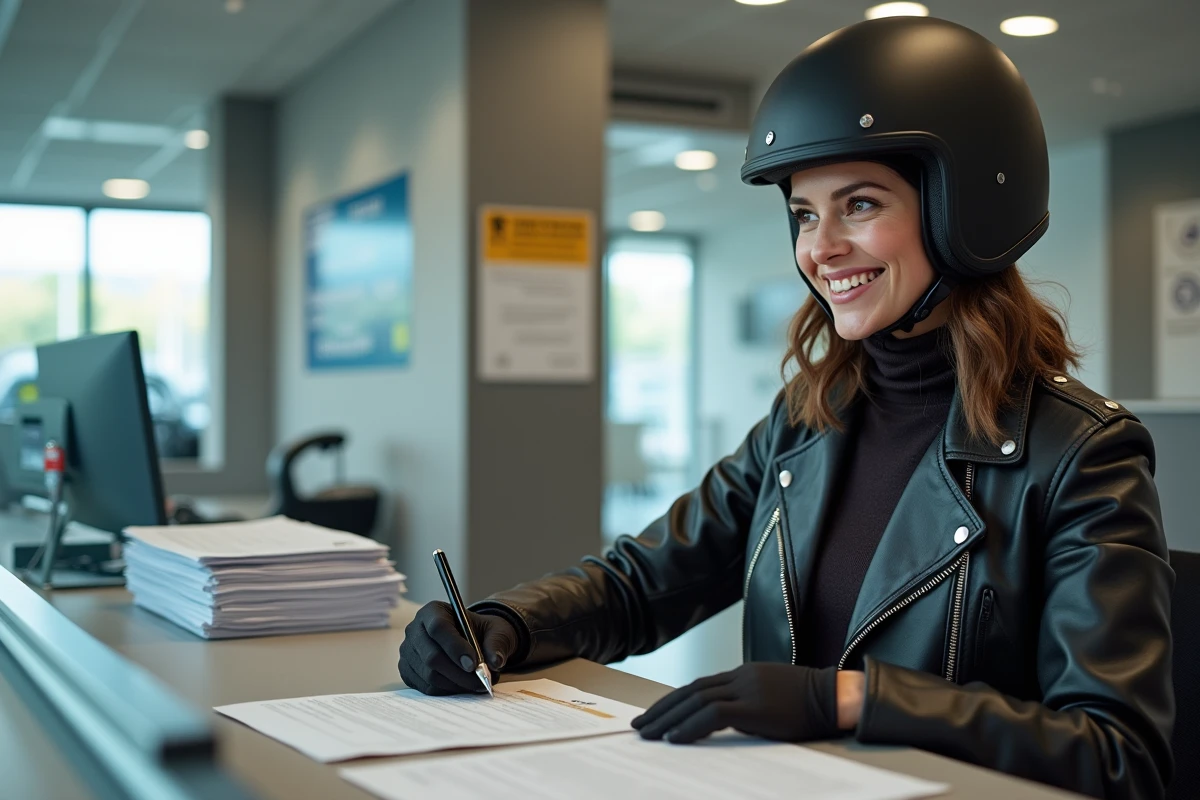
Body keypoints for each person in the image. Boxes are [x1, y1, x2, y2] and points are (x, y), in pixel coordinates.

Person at [398, 16, 1174, 799]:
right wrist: (503, 623)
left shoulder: (1081, 452)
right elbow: (644, 581)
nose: (820, 247)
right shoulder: (808, 418)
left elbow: (1117, 754)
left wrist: (850, 701)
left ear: (963, 209)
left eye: (859, 204)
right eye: (805, 214)